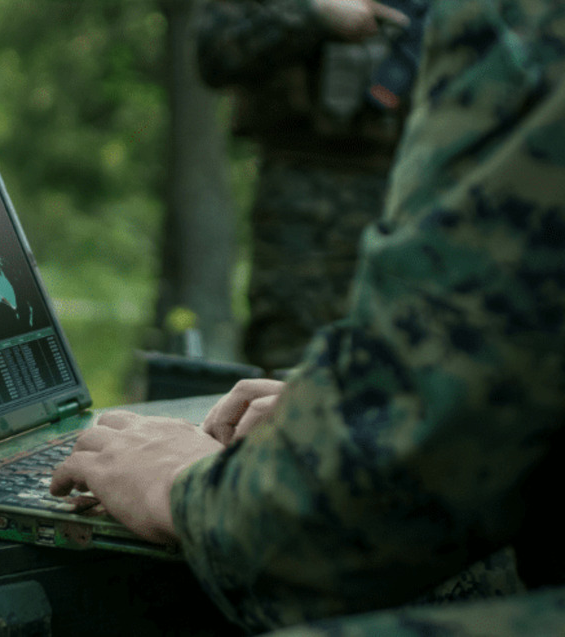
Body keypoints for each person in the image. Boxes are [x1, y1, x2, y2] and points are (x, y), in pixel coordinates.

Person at [52, 1, 565, 633]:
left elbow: (318, 543)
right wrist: (347, 411)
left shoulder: (521, 26)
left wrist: (185, 489)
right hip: (306, 214)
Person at [197, 0, 424, 371]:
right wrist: (313, 15)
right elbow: (213, 51)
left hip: (416, 190)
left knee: (404, 357)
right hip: (304, 199)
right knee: (291, 359)